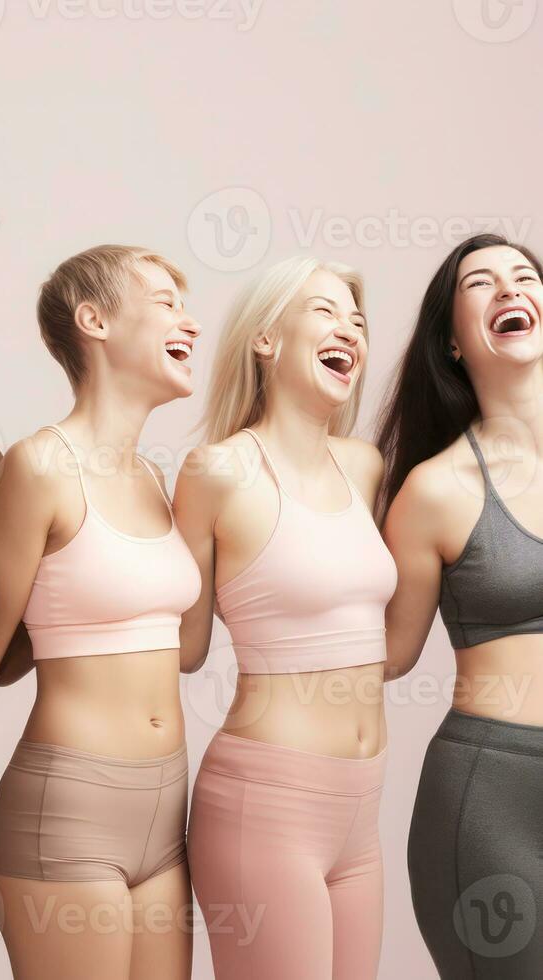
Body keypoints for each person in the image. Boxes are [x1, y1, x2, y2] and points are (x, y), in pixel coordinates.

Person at [0, 244, 203, 980]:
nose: (191, 323)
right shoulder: (39, 465)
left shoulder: (154, 477)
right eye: (167, 301)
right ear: (94, 320)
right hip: (68, 811)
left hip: (168, 812)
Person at [177, 256, 395, 979]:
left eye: (359, 321)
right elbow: (182, 646)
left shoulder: (363, 466)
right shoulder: (218, 472)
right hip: (266, 804)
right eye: (327, 312)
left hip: (361, 811)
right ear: (265, 340)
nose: (350, 332)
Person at [377, 234, 543, 978]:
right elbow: (387, 655)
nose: (510, 288)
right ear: (451, 338)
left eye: (525, 276)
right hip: (493, 799)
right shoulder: (435, 491)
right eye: (482, 283)